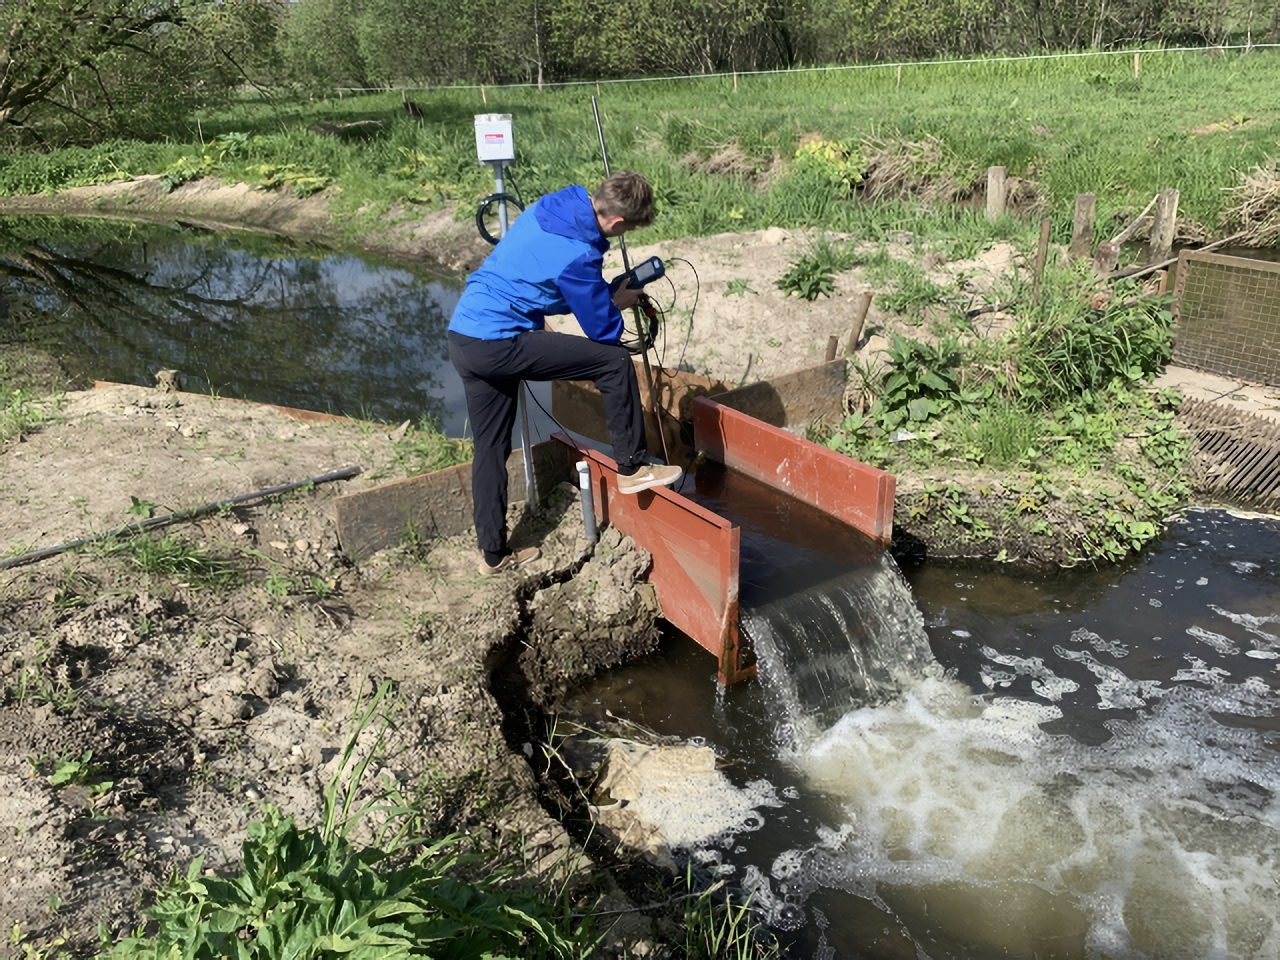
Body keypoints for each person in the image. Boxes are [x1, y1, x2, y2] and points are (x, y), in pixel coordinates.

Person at [448, 170, 682, 576]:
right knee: (613, 363)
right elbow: (603, 332)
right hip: (502, 341)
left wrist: (603, 293)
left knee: (489, 448)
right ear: (620, 223)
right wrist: (617, 303)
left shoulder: (555, 206)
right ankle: (631, 467)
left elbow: (550, 284)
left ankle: (492, 555)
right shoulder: (579, 255)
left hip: (466, 335)